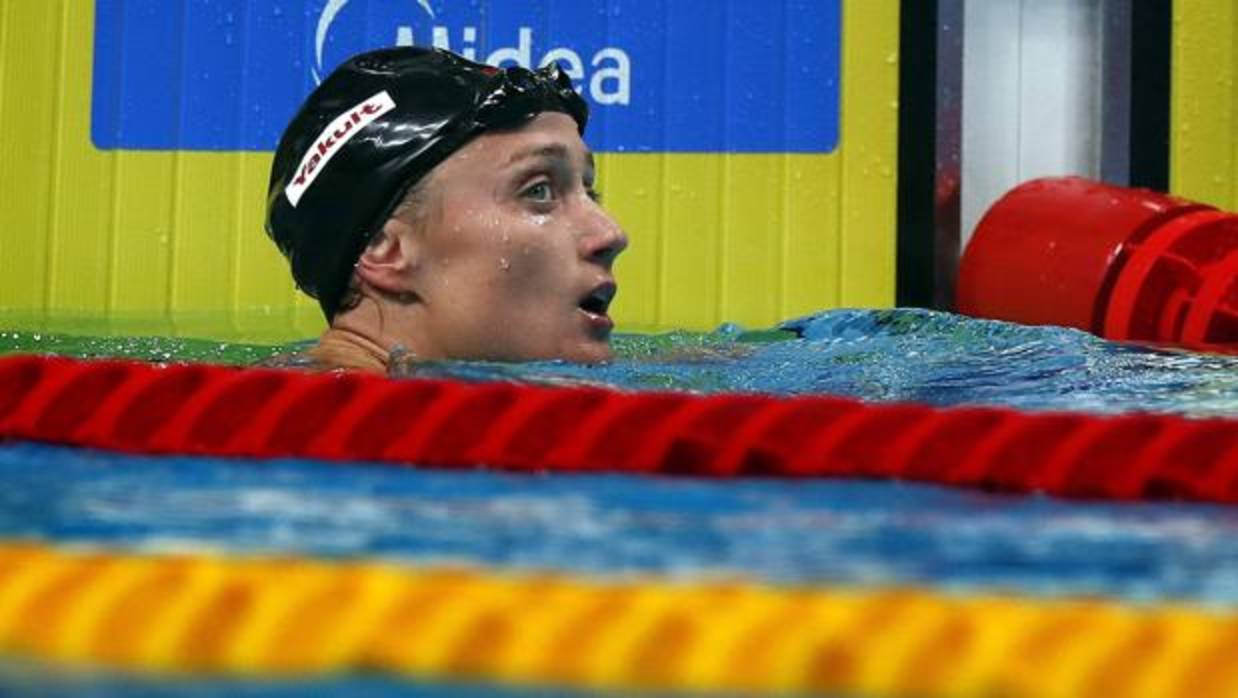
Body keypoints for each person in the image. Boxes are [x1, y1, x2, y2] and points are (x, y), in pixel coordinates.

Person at [264, 47, 628, 373]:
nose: (611, 235)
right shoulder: (309, 426)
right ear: (384, 249)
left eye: (589, 191)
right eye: (539, 190)